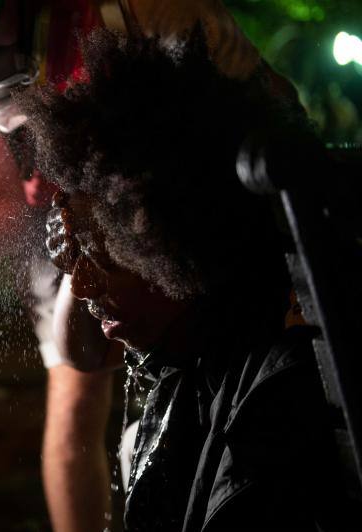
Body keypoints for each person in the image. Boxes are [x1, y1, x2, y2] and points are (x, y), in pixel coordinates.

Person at [0, 1, 270, 529]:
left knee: (228, 375)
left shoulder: (138, 13)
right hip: (70, 209)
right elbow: (0, 203)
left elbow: (266, 124)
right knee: (77, 377)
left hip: (196, 193)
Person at [19, 25, 355, 530]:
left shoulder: (267, 419)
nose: (82, 286)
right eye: (74, 264)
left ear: (175, 243)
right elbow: (81, 352)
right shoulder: (207, 334)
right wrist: (76, 236)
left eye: (102, 259)